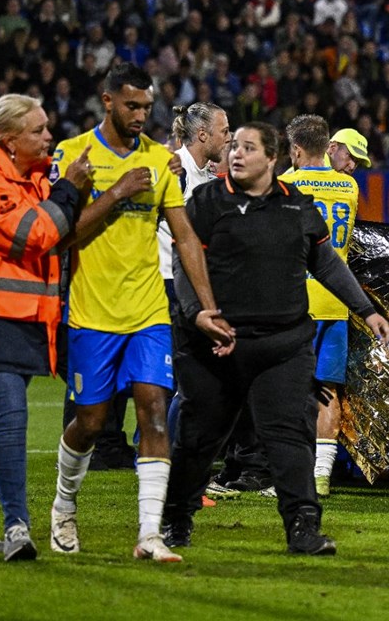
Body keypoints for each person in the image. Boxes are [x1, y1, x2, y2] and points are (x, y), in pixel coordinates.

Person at [162, 122, 389, 555]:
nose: (236, 154)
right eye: (234, 146)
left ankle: (303, 527)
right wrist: (198, 314)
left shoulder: (297, 205)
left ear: (272, 158)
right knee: (198, 438)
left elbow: (326, 263)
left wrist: (365, 309)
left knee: (289, 435)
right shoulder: (206, 202)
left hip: (281, 347)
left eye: (248, 148)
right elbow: (185, 261)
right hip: (217, 345)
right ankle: (176, 519)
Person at [49, 63, 233, 563]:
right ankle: (64, 507)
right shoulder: (74, 154)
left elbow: (186, 237)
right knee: (90, 422)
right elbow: (61, 237)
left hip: (149, 308)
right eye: (131, 106)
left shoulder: (158, 159)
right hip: (92, 310)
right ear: (107, 101)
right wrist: (114, 194)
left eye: (147, 107)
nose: (140, 115)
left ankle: (150, 534)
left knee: (154, 407)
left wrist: (208, 305)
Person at [0, 94, 91, 561]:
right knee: (10, 413)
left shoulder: (30, 176)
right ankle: (17, 526)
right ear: (9, 141)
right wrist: (69, 190)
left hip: (24, 317)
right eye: (38, 130)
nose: (48, 136)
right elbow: (36, 236)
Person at [277, 116, 361, 498]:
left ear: (296, 150)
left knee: (287, 389)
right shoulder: (349, 186)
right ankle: (322, 476)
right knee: (328, 390)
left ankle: (287, 475)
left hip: (296, 301)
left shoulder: (287, 184)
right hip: (336, 302)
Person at [160, 102, 233, 498]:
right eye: (224, 130)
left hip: (192, 285)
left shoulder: (201, 174)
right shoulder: (175, 170)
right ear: (202, 134)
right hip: (175, 287)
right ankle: (181, 479)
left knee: (194, 386)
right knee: (192, 388)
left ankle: (182, 474)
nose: (229, 137)